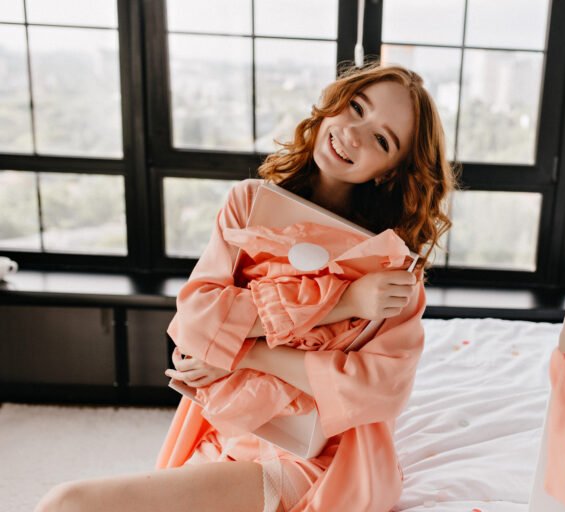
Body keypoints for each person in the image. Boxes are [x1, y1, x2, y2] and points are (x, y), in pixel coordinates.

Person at [34, 61, 455, 512]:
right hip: (229, 430)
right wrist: (343, 302)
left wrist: (244, 349)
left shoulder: (391, 271)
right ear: (333, 103)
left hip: (315, 462)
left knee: (67, 504)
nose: (354, 133)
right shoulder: (249, 204)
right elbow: (195, 321)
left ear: (390, 171)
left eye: (381, 139)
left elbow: (379, 391)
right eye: (356, 107)